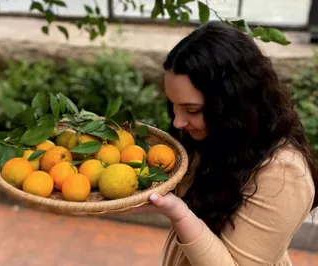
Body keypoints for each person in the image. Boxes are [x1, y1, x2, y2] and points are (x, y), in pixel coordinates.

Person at [132, 21, 318, 265]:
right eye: (173, 105)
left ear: (233, 104)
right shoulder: (218, 139)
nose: (177, 122)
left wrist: (178, 212)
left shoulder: (284, 173)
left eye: (192, 109)